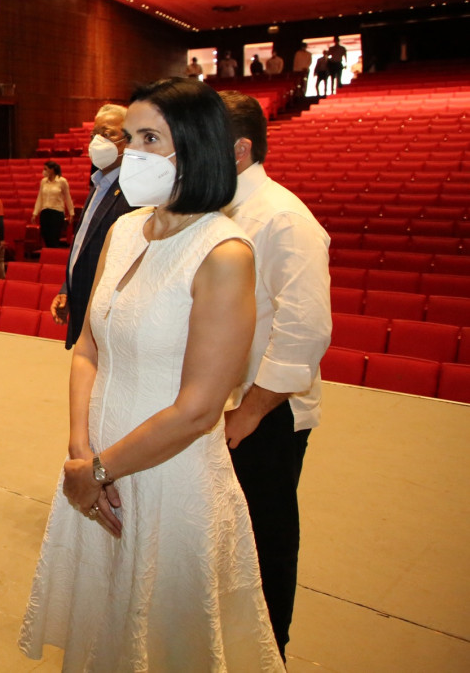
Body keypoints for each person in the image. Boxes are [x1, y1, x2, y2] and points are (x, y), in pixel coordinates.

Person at [18, 77, 282, 671]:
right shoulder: (123, 230)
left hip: (168, 476)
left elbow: (199, 408)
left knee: (163, 642)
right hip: (96, 465)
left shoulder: (224, 253)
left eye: (148, 139)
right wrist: (81, 452)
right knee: (104, 632)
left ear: (194, 148)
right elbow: (88, 348)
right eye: (128, 138)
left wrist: (100, 470)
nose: (129, 152)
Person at [220, 90, 331, 660]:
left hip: (266, 411)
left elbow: (304, 330)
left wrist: (251, 411)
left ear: (239, 150)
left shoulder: (284, 218)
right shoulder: (218, 212)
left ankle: (268, 654)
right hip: (221, 406)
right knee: (223, 541)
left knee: (263, 542)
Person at [51, 105, 136, 348]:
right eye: (93, 135)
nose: (97, 141)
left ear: (128, 140)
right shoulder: (99, 184)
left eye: (106, 134)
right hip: (83, 306)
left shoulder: (133, 191)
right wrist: (68, 289)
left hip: (109, 319)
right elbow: (83, 244)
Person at [32, 161, 74, 249]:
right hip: (45, 212)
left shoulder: (62, 181)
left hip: (57, 213)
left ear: (52, 170)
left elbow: (67, 197)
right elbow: (40, 197)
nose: (44, 171)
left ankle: (53, 254)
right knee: (46, 236)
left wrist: (71, 212)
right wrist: (35, 213)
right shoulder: (43, 182)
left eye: (45, 169)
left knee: (54, 238)